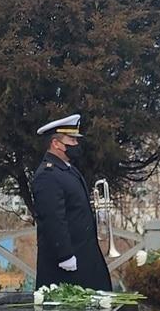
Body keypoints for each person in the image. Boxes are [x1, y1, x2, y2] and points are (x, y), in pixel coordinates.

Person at [30, 113, 112, 291]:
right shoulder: (47, 175)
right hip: (67, 262)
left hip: (85, 254)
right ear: (56, 143)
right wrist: (64, 255)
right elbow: (52, 219)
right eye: (72, 140)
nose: (76, 144)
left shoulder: (67, 169)